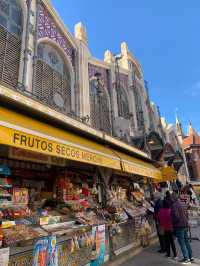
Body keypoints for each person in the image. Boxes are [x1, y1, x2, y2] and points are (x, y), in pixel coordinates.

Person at [171, 192, 194, 264]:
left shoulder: (174, 205)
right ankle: (191, 257)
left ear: (173, 198)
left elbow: (176, 216)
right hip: (185, 224)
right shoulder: (182, 203)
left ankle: (186, 258)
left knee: (182, 242)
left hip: (179, 226)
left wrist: (173, 223)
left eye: (171, 198)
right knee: (186, 242)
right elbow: (186, 214)